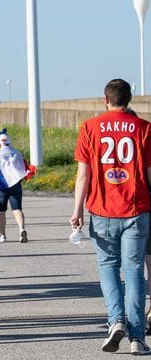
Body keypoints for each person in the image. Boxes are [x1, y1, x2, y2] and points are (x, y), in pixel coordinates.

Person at [70, 79, 151, 355]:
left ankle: (116, 321)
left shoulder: (89, 128)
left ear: (106, 99)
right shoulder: (144, 129)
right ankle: (137, 338)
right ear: (129, 100)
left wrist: (77, 209)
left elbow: (84, 175)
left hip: (102, 210)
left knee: (108, 268)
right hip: (136, 209)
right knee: (135, 272)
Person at [0, 131, 29, 243]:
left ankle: (3, 235)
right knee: (17, 209)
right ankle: (21, 229)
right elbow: (24, 169)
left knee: (1, 211)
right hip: (15, 185)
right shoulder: (17, 154)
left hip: (1, 186)